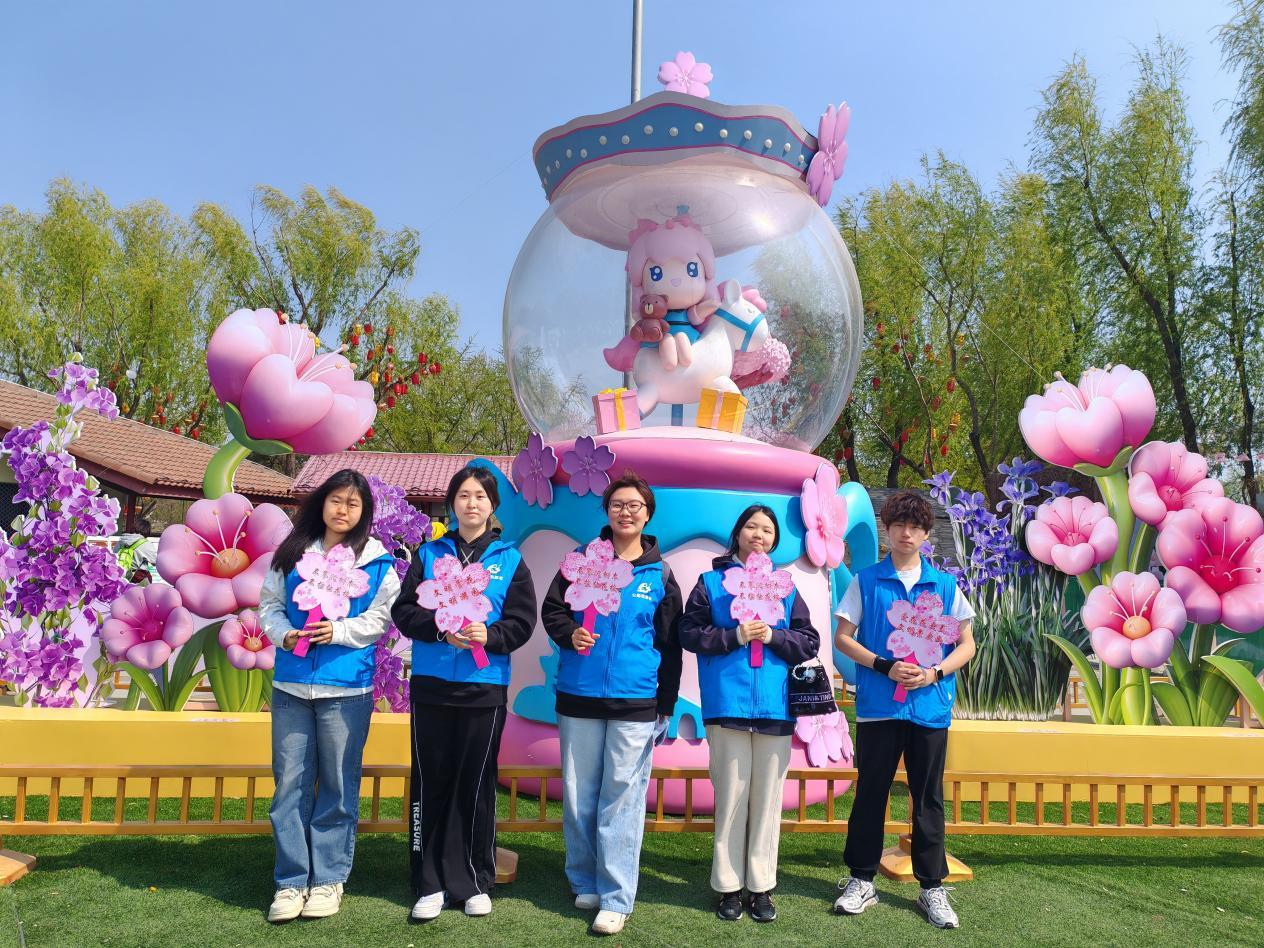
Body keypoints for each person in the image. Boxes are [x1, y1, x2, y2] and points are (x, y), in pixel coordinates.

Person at [541, 471, 683, 936]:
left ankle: (617, 896)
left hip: (635, 701)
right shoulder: (581, 561)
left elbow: (671, 644)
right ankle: (584, 879)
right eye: (618, 504)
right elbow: (552, 610)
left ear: (647, 514)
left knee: (621, 797)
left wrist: (665, 703)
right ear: (606, 511)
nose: (626, 512)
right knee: (579, 794)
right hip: (578, 695)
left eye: (634, 505)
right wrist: (569, 633)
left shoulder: (660, 574)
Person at [392, 465, 536, 923]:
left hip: (484, 688)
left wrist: (489, 635)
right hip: (432, 686)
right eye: (463, 495)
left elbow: (521, 622)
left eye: (480, 496)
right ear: (452, 503)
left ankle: (473, 880)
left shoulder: (509, 559)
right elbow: (403, 611)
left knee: (475, 783)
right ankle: (429, 882)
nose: (471, 504)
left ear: (493, 505)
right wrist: (439, 629)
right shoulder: (429, 554)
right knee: (431, 780)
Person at [257, 469, 400, 923]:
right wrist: (283, 635)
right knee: (290, 786)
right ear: (322, 503)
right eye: (336, 500)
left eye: (353, 504)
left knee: (338, 786)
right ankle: (290, 881)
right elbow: (269, 605)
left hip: (347, 689)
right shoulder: (292, 554)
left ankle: (328, 879)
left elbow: (381, 619)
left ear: (365, 512)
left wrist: (337, 631)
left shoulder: (377, 562)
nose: (343, 510)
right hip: (291, 687)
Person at [832, 490, 976, 930]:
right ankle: (861, 880)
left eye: (915, 527)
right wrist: (884, 665)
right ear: (887, 530)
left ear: (927, 534)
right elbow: (842, 638)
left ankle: (931, 886)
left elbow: (967, 645)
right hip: (879, 708)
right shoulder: (866, 581)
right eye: (899, 525)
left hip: (929, 708)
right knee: (870, 793)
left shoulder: (945, 585)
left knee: (928, 799)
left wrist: (934, 673)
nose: (906, 534)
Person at [679, 505, 819, 924]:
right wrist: (734, 635)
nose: (759, 534)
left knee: (768, 801)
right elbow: (689, 632)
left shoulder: (785, 586)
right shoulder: (711, 583)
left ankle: (761, 886)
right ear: (738, 532)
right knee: (731, 797)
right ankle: (727, 886)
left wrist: (774, 635)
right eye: (752, 527)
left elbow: (808, 641)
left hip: (777, 707)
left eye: (767, 530)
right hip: (727, 704)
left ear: (775, 540)